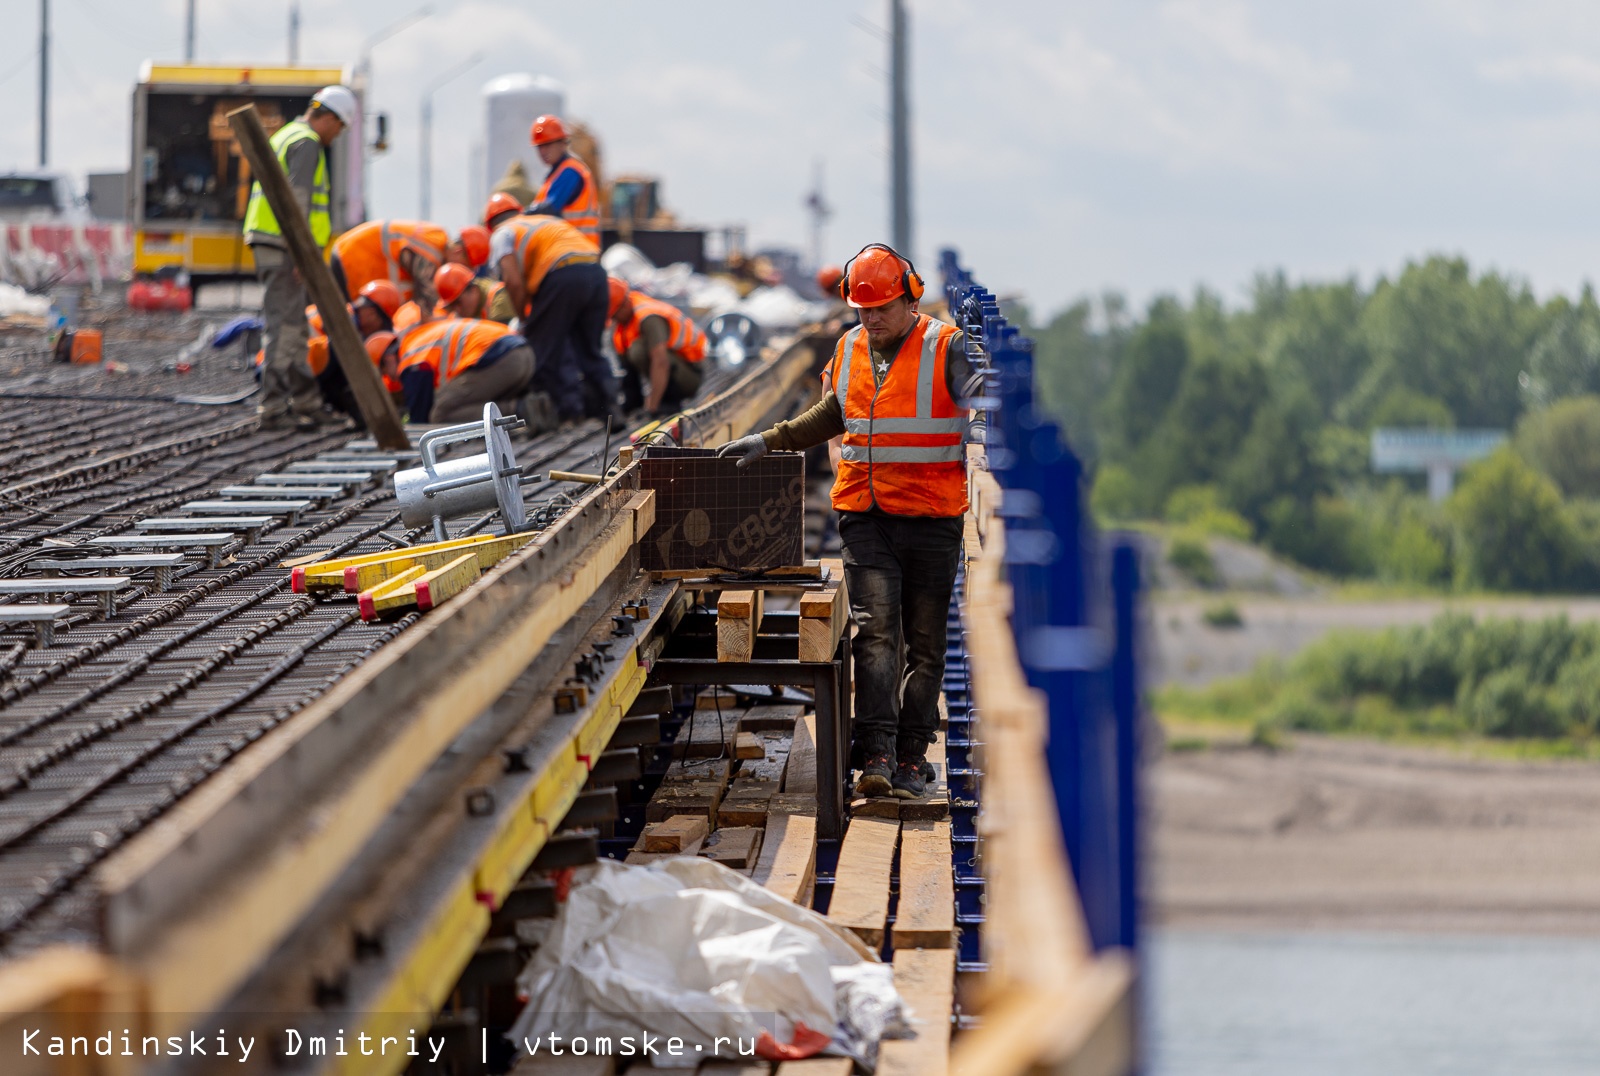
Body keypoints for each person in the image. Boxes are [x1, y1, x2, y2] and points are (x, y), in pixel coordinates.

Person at [717, 244, 978, 799]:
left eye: (882, 307)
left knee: (926, 645)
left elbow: (987, 399)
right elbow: (832, 414)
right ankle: (877, 753)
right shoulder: (850, 345)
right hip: (866, 512)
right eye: (863, 309)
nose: (872, 319)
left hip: (932, 516)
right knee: (876, 633)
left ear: (910, 298)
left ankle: (913, 757)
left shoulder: (947, 347)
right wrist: (769, 441)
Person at [242, 84, 353, 430]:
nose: (338, 135)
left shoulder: (288, 135)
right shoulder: (306, 143)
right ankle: (274, 406)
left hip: (274, 242)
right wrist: (301, 255)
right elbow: (298, 203)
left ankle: (305, 400)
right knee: (283, 326)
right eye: (340, 126)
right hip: (284, 246)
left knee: (294, 325)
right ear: (329, 117)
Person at [484, 194, 614, 421]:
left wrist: (524, 319)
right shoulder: (546, 222)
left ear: (491, 224)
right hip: (596, 274)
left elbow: (513, 282)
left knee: (542, 350)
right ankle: (611, 412)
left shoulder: (503, 233)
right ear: (518, 210)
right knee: (589, 349)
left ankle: (561, 414)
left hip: (561, 276)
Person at [376, 317, 535, 424]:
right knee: (459, 400)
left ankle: (521, 410)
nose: (390, 378)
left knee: (441, 414)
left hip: (504, 360)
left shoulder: (411, 360)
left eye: (384, 372)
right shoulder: (415, 341)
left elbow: (420, 418)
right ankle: (529, 407)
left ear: (388, 358)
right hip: (525, 354)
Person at [608, 277, 706, 414]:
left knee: (638, 350)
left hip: (689, 377)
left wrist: (652, 405)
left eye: (614, 315)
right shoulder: (623, 324)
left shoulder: (648, 317)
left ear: (623, 305)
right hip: (675, 370)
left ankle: (668, 401)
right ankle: (636, 402)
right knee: (628, 347)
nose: (613, 320)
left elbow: (661, 362)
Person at [328, 219, 450, 311]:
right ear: (458, 251)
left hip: (355, 268)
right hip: (353, 259)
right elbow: (427, 301)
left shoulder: (435, 251)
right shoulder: (434, 248)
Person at [526, 114, 600, 248]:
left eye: (547, 144)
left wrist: (520, 217)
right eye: (539, 146)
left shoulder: (570, 172)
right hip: (572, 252)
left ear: (562, 143)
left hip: (576, 253)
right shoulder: (556, 175)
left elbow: (548, 209)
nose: (543, 151)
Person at [436, 262, 515, 324]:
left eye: (458, 303)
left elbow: (502, 340)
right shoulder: (461, 312)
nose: (457, 310)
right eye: (452, 307)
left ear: (473, 289)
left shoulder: (498, 297)